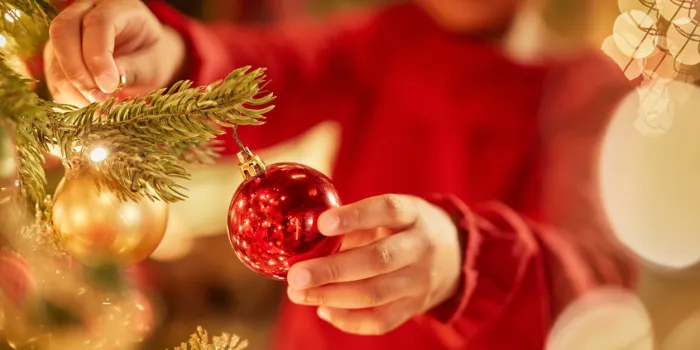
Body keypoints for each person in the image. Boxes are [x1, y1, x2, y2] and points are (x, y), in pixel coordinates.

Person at [43, 0, 637, 349]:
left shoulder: (586, 89)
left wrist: (463, 260)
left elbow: (595, 281)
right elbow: (275, 72)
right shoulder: (390, 39)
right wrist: (169, 60)